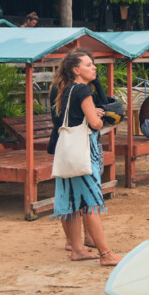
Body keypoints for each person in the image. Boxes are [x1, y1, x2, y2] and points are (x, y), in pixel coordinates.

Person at [47, 48, 122, 267]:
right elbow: (96, 124)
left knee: (70, 201)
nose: (94, 68)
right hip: (82, 152)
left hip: (66, 154)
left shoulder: (64, 89)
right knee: (91, 203)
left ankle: (77, 249)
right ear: (76, 70)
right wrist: (99, 116)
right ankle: (106, 253)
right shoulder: (83, 91)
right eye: (89, 65)